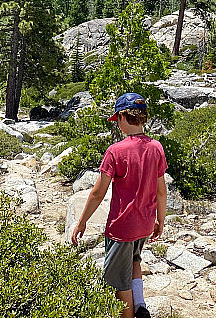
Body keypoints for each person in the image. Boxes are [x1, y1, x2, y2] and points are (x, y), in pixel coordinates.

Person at [71, 93, 167, 318]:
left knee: (117, 281)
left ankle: (130, 315)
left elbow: (97, 193)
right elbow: (161, 190)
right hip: (144, 224)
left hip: (122, 227)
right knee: (134, 260)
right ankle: (140, 304)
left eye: (118, 119)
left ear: (124, 116)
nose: (118, 124)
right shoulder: (156, 147)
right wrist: (160, 220)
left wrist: (81, 221)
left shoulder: (116, 151)